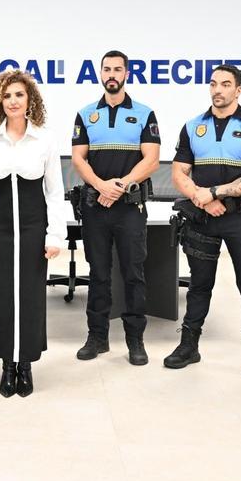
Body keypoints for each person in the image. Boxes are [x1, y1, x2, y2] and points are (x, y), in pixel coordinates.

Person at [167, 64, 241, 378]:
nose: (218, 90)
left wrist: (213, 193)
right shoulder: (192, 126)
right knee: (199, 285)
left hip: (240, 219)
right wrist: (203, 199)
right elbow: (178, 173)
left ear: (238, 90)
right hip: (203, 217)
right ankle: (189, 346)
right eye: (214, 84)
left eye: (226, 84)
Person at [0, 70, 67, 397]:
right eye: (7, 95)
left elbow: (54, 191)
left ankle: (25, 363)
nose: (13, 101)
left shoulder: (45, 139)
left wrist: (55, 236)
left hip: (32, 228)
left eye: (19, 95)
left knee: (29, 296)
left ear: (30, 100)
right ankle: (6, 365)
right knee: (0, 298)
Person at [70, 50, 160, 365]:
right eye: (106, 69)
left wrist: (120, 186)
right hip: (96, 207)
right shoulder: (85, 114)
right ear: (100, 74)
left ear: (126, 74)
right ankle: (97, 338)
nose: (112, 74)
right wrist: (100, 186)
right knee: (98, 273)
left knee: (133, 274)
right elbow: (79, 158)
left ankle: (135, 340)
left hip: (129, 208)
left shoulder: (144, 113)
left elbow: (151, 159)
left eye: (117, 69)